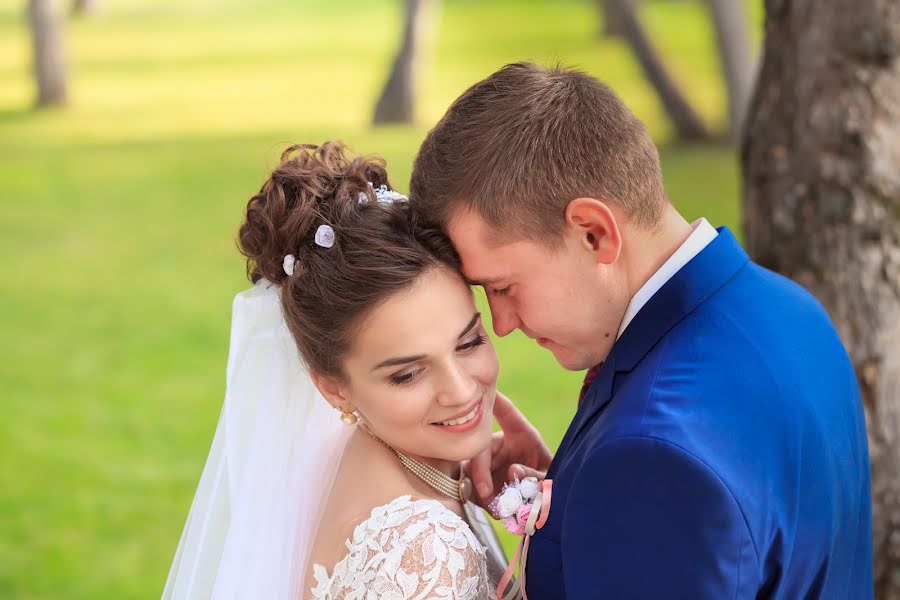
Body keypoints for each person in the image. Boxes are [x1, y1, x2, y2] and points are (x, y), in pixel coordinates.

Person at [410, 63, 874, 598]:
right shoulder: (791, 311)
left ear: (593, 233)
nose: (503, 323)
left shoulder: (649, 456)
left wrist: (613, 486)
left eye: (504, 286)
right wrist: (578, 492)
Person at [163, 141, 506, 599]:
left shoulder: (389, 461)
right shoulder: (422, 553)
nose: (461, 390)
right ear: (334, 389)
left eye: (469, 342)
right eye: (407, 375)